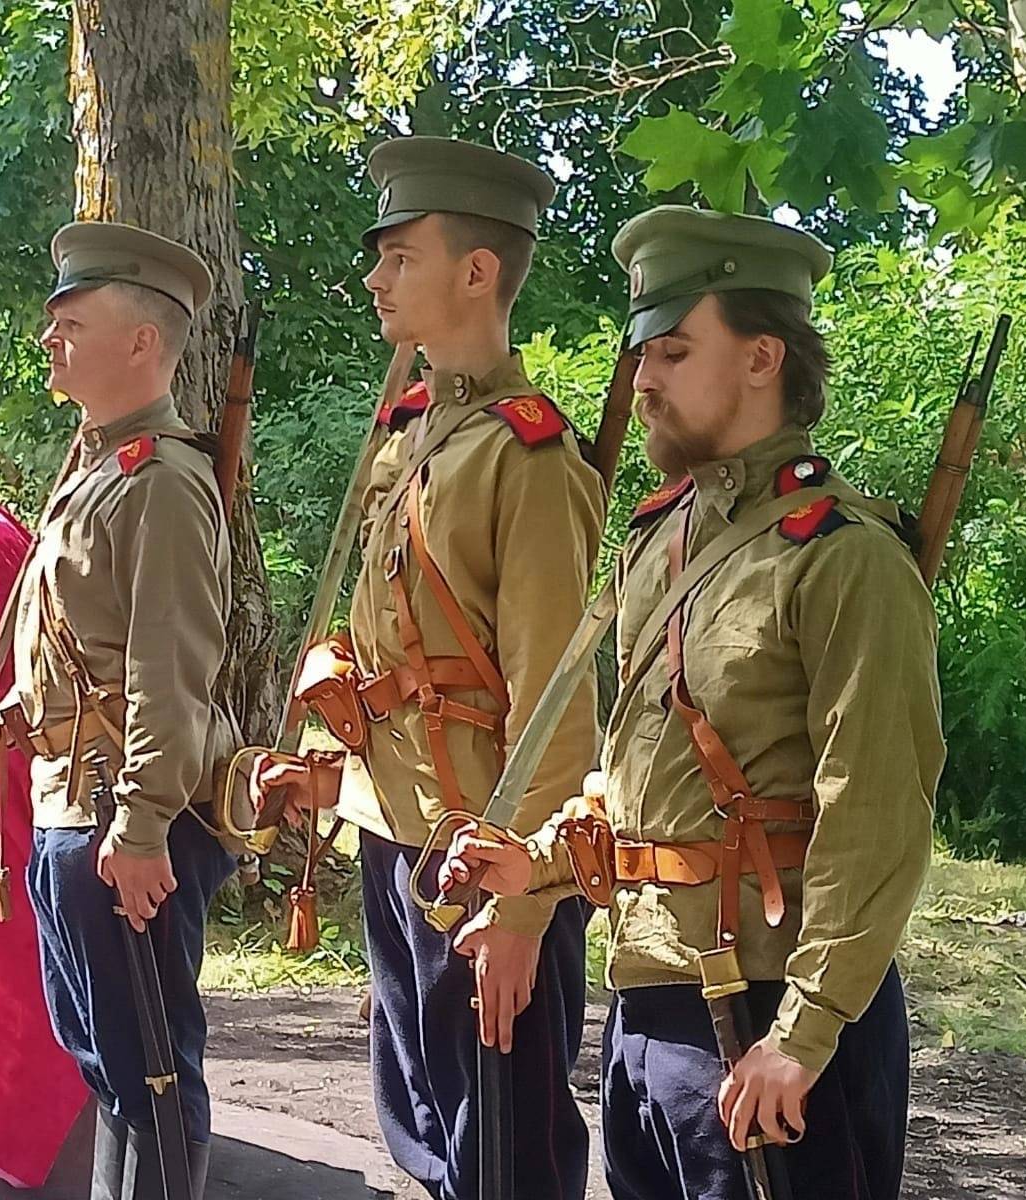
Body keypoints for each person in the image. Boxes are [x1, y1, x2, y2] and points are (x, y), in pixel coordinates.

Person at [440, 206, 945, 1200]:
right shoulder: (661, 542)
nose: (644, 380)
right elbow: (641, 776)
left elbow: (875, 811)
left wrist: (804, 1031)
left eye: (673, 352)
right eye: (643, 354)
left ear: (762, 357)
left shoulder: (843, 558)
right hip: (650, 998)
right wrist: (538, 864)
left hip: (768, 1013)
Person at [254, 137, 606, 1200]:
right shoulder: (412, 438)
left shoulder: (526, 457)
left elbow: (556, 704)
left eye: (400, 256)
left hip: (481, 858)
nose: (374, 277)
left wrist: (526, 904)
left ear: (477, 271)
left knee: (506, 1152)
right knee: (425, 1128)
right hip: (396, 830)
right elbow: (383, 647)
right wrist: (327, 758)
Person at [0, 221, 238, 1200]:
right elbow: (79, 653)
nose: (48, 337)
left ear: (142, 342)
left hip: (123, 821)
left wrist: (144, 823)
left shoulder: (164, 483)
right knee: (109, 1070)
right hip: (74, 808)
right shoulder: (96, 473)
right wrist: (6, 721)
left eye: (71, 321)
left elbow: (169, 670)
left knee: (151, 1077)